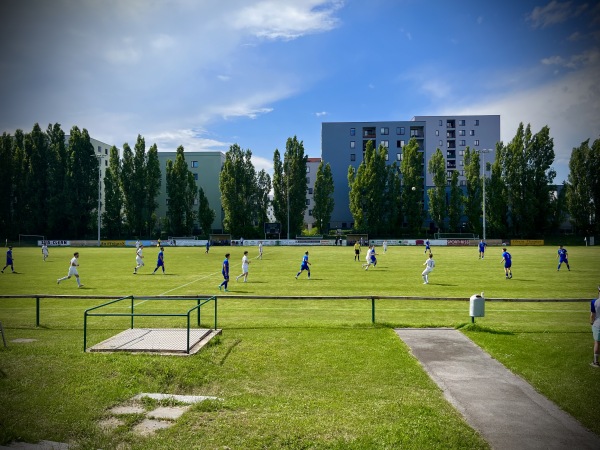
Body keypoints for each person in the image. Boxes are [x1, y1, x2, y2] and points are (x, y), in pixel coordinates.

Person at [590, 286, 600, 368]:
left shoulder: (594, 302)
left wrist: (591, 322)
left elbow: (592, 315)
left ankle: (596, 362)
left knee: (597, 342)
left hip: (597, 324)